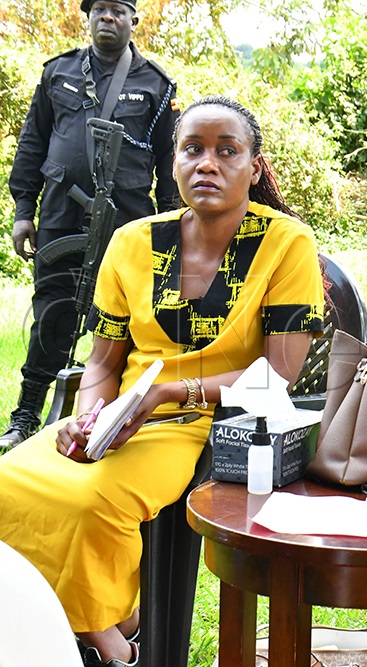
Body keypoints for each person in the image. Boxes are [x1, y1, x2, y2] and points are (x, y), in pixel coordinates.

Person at [0, 95, 324, 667]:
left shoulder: (286, 245)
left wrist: (171, 393)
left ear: (254, 165)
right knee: (7, 482)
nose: (208, 164)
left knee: (91, 503)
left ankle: (112, 643)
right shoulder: (133, 242)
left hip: (213, 421)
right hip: (124, 413)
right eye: (192, 149)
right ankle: (91, 626)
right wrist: (89, 417)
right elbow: (101, 364)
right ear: (171, 162)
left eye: (228, 151)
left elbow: (278, 374)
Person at [2, 0, 179, 450]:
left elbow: (169, 159)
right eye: (99, 9)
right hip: (61, 219)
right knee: (51, 317)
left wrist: (174, 227)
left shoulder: (156, 86)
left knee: (126, 323)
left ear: (133, 20)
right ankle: (25, 417)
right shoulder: (57, 73)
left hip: (129, 226)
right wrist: (25, 210)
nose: (107, 18)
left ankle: (109, 416)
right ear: (88, 17)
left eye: (118, 10)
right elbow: (33, 143)